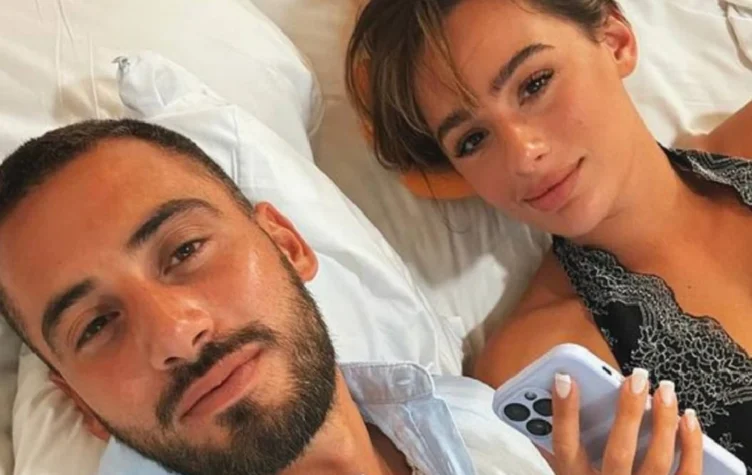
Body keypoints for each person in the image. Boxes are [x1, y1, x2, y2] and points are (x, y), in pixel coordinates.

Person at [0, 119, 570, 475]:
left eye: (185, 250)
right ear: (82, 406)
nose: (176, 332)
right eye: (96, 326)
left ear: (287, 244)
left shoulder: (470, 417)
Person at [345, 0, 752, 471]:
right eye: (472, 141)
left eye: (535, 84)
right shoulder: (544, 363)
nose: (523, 155)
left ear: (616, 40)